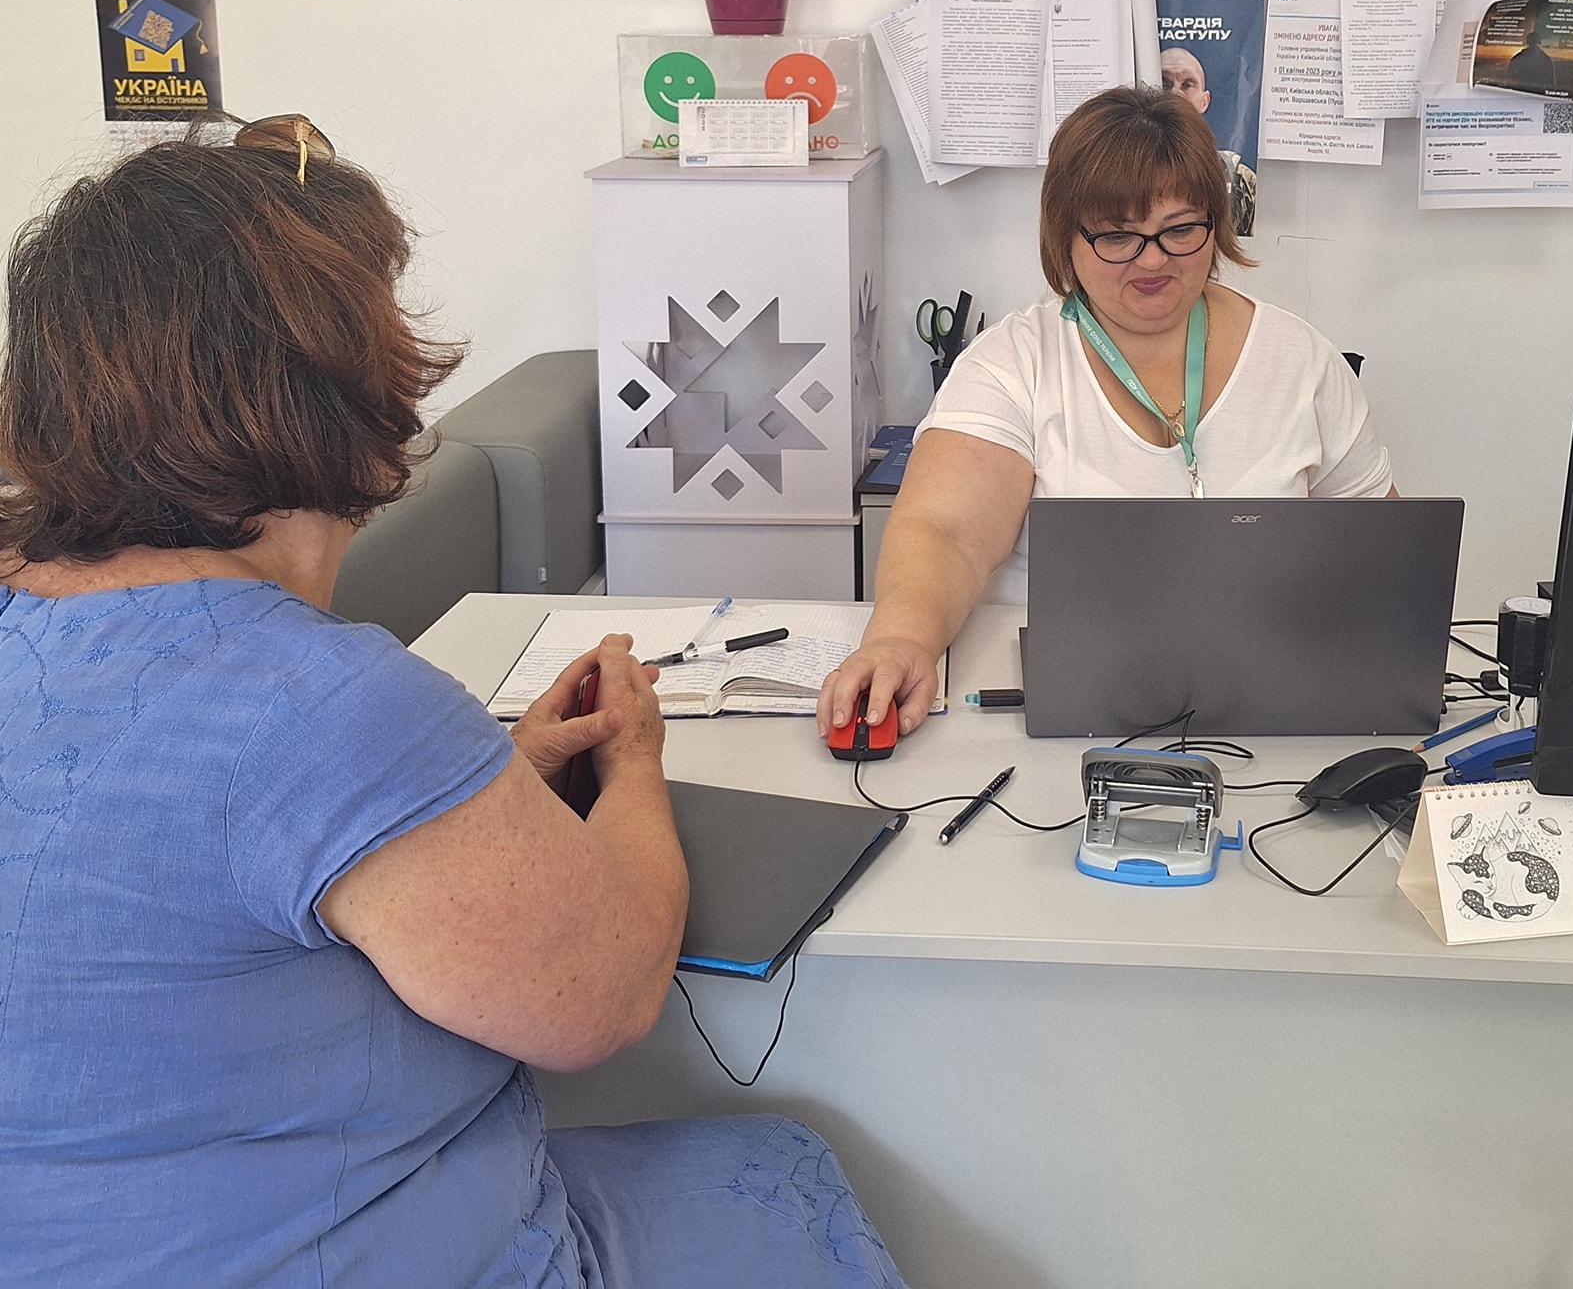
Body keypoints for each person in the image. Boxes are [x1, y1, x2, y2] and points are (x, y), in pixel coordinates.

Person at [0, 120, 904, 1289]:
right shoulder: (323, 700)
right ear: (340, 379)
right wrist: (632, 759)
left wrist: (484, 778)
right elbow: (605, 993)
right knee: (785, 1162)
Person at [820, 85, 1394, 740]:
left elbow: (1380, 550)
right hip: (1059, 711)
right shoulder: (1013, 362)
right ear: (1065, 236)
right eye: (1119, 235)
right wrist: (901, 639)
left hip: (1267, 701)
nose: (1153, 259)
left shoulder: (1302, 359)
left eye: (1181, 229)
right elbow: (945, 534)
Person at [1156, 45, 1257, 238]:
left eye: (1187, 85)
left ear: (1204, 101)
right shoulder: (1121, 171)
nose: (1175, 93)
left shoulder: (1241, 180)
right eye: (1164, 83)